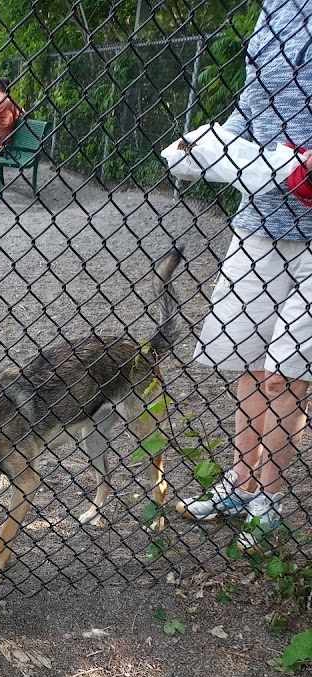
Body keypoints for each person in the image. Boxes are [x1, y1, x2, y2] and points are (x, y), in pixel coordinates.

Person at [177, 0, 312, 551]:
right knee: (248, 360)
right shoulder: (274, 8)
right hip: (260, 215)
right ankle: (240, 481)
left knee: (287, 372)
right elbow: (255, 104)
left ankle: (268, 500)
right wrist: (210, 144)